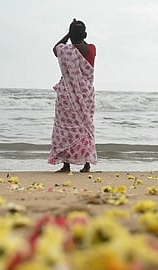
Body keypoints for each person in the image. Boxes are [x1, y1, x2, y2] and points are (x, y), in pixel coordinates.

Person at [48, 19, 97, 173]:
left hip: (67, 94)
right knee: (85, 127)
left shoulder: (64, 50)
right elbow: (82, 47)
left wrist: (68, 34)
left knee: (65, 128)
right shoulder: (91, 49)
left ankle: (66, 165)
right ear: (85, 34)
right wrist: (75, 33)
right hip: (86, 93)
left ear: (70, 34)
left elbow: (55, 49)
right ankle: (86, 164)